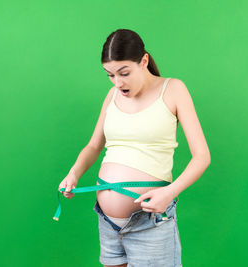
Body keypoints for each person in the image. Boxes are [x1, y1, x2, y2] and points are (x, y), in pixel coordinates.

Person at [57, 29, 211, 267]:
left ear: (144, 61)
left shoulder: (173, 89)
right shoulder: (112, 96)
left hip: (150, 222)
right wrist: (74, 173)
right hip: (108, 223)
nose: (118, 83)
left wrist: (169, 193)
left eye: (124, 73)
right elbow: (94, 145)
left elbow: (201, 157)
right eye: (110, 75)